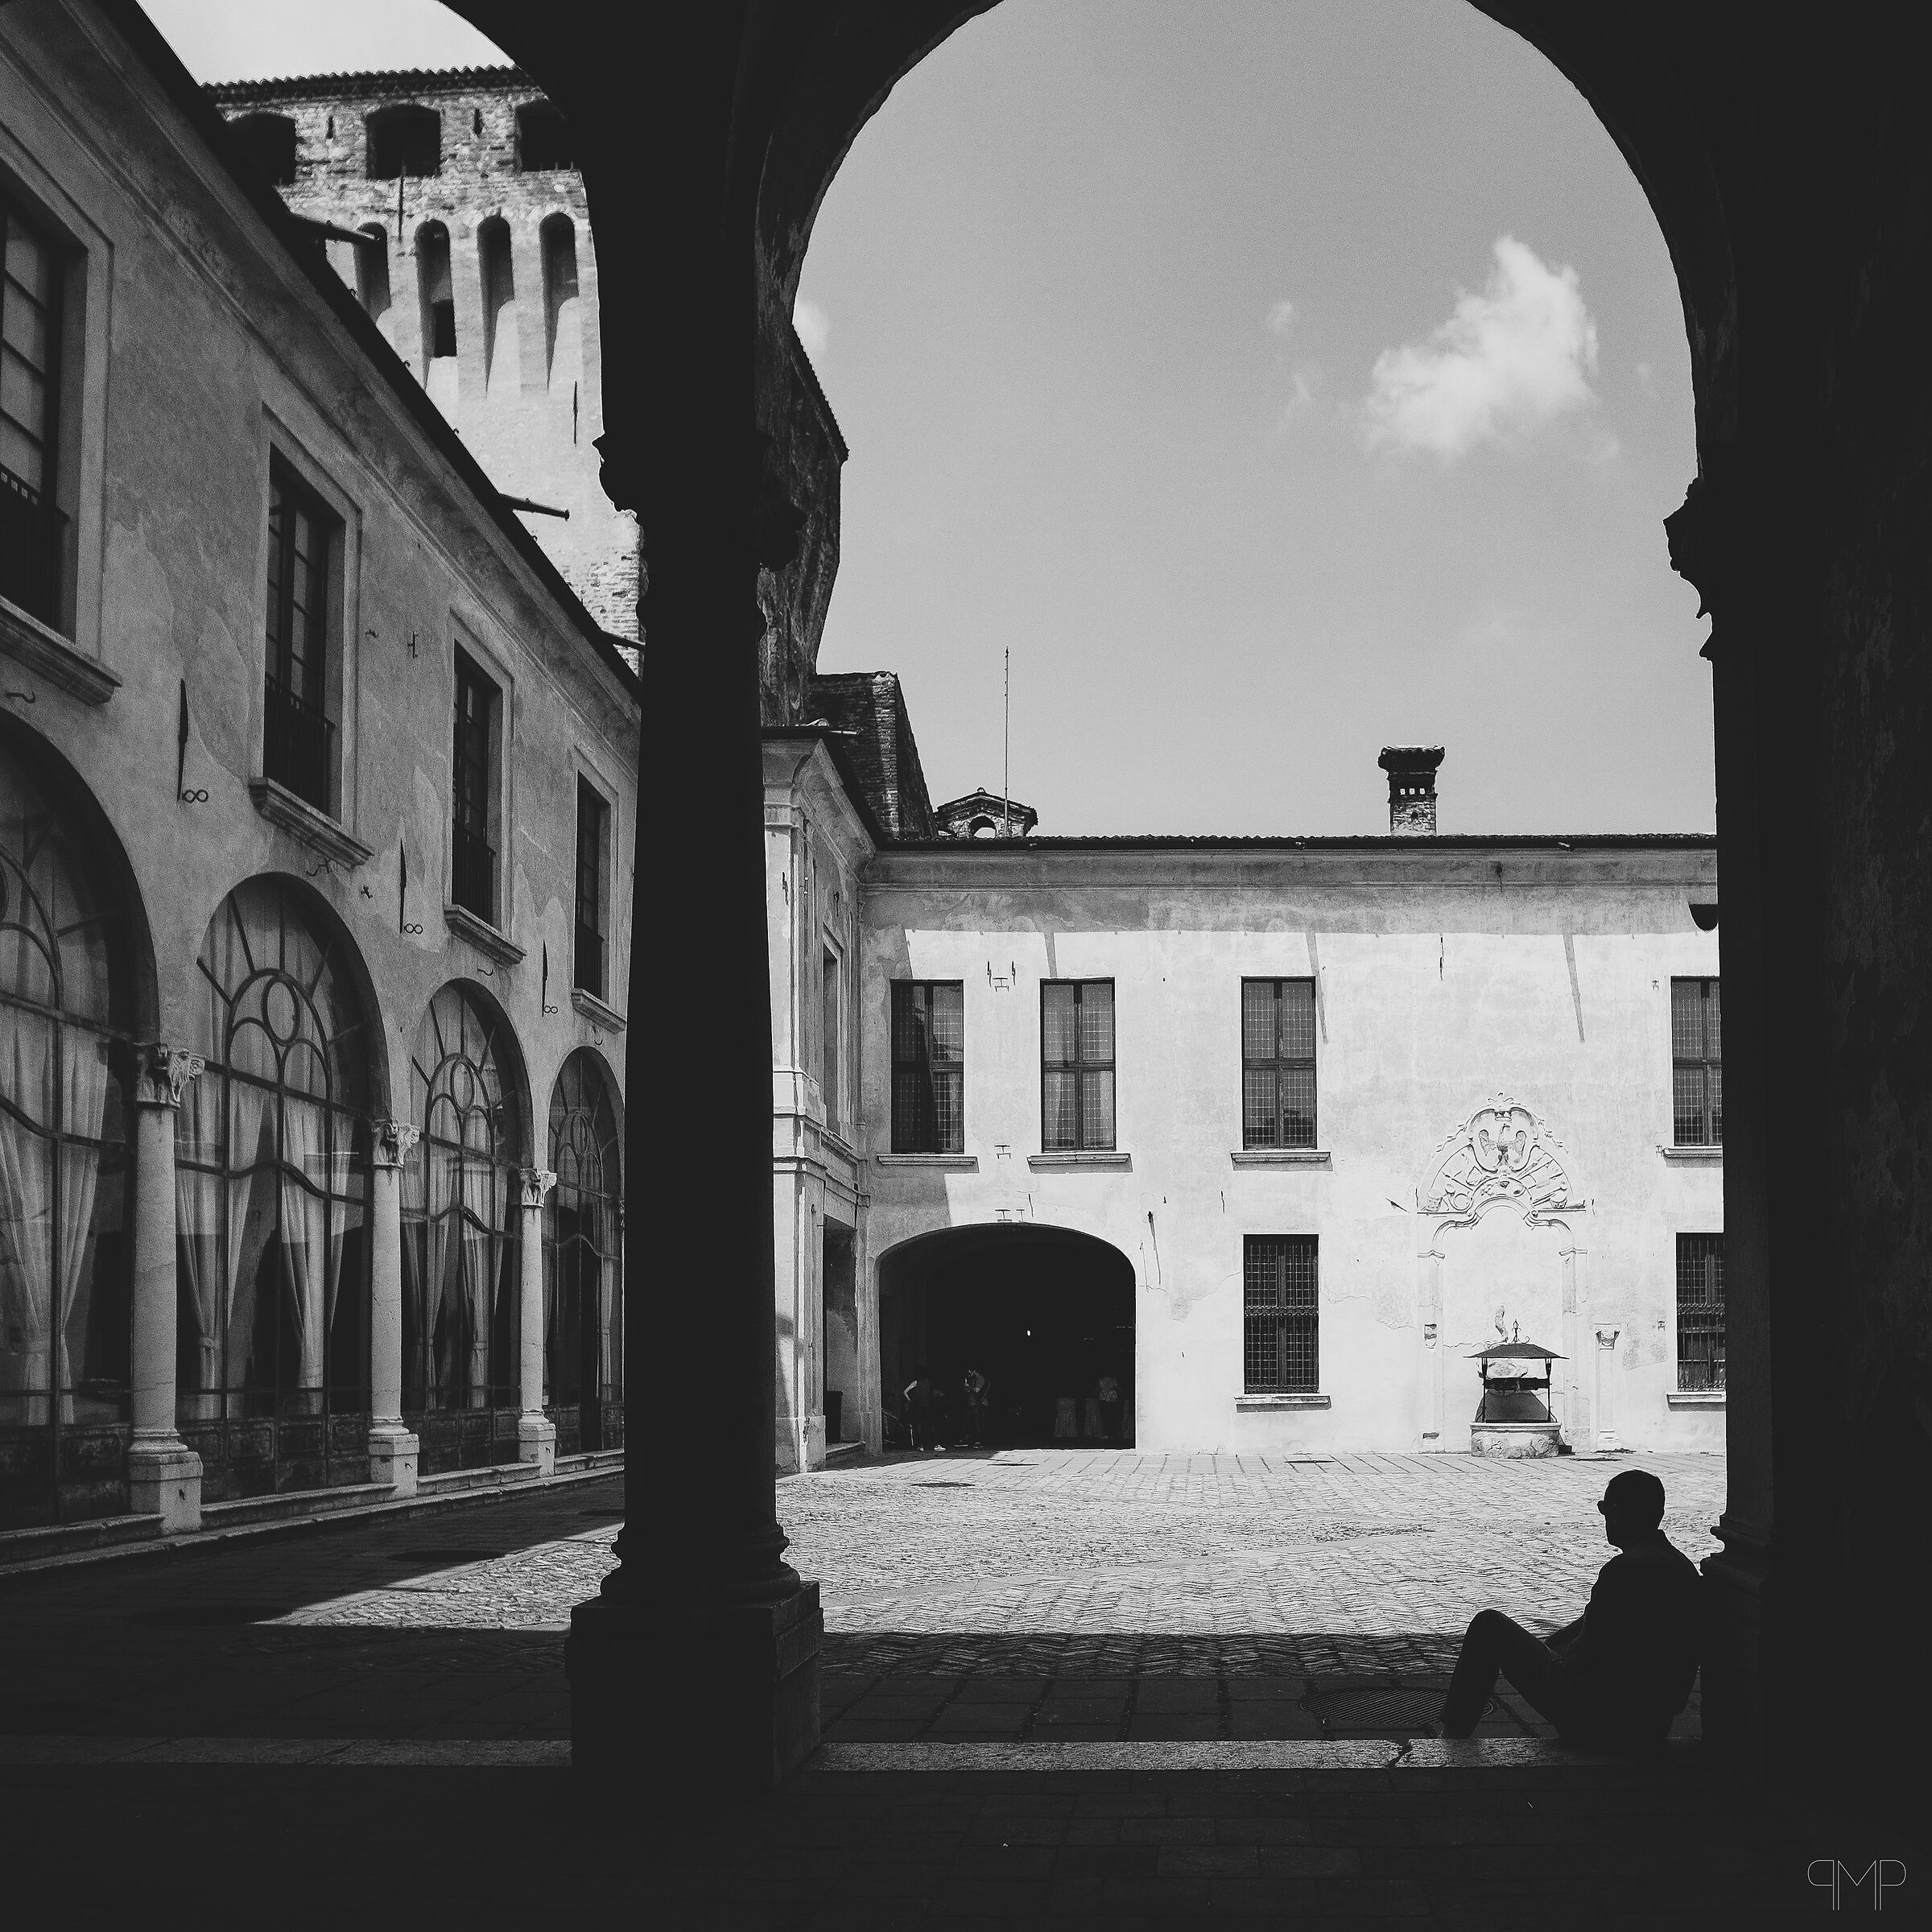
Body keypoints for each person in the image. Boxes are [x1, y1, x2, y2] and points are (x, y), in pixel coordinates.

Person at [1438, 1468, 1702, 1748]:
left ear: (1618, 1511)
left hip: (1601, 1717)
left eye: (1605, 1508)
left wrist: (1551, 1656)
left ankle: (1453, 1735)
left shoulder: (1623, 1570)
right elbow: (1594, 1623)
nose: (1605, 1518)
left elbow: (1582, 1653)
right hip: (1651, 1723)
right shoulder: (1681, 1567)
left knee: (1489, 1626)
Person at [902, 1364, 935, 1452]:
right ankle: (931, 1445)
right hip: (927, 1406)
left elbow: (905, 1392)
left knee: (919, 1425)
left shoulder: (916, 1382)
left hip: (918, 1406)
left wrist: (910, 1400)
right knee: (929, 1425)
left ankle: (920, 1445)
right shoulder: (929, 1382)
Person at [962, 1367, 991, 1448]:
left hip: (980, 1403)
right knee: (974, 1422)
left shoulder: (980, 1378)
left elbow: (977, 1390)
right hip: (973, 1404)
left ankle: (980, 1441)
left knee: (979, 1423)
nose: (969, 1375)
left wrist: (968, 1387)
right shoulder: (972, 1379)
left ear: (974, 1371)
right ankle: (974, 1440)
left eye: (970, 1373)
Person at [1096, 1371, 1121, 1441]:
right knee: (1111, 1417)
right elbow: (1119, 1389)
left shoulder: (1102, 1381)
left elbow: (1097, 1390)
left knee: (1105, 1417)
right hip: (1111, 1400)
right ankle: (1110, 1434)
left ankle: (1107, 1434)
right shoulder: (1113, 1380)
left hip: (1105, 1400)